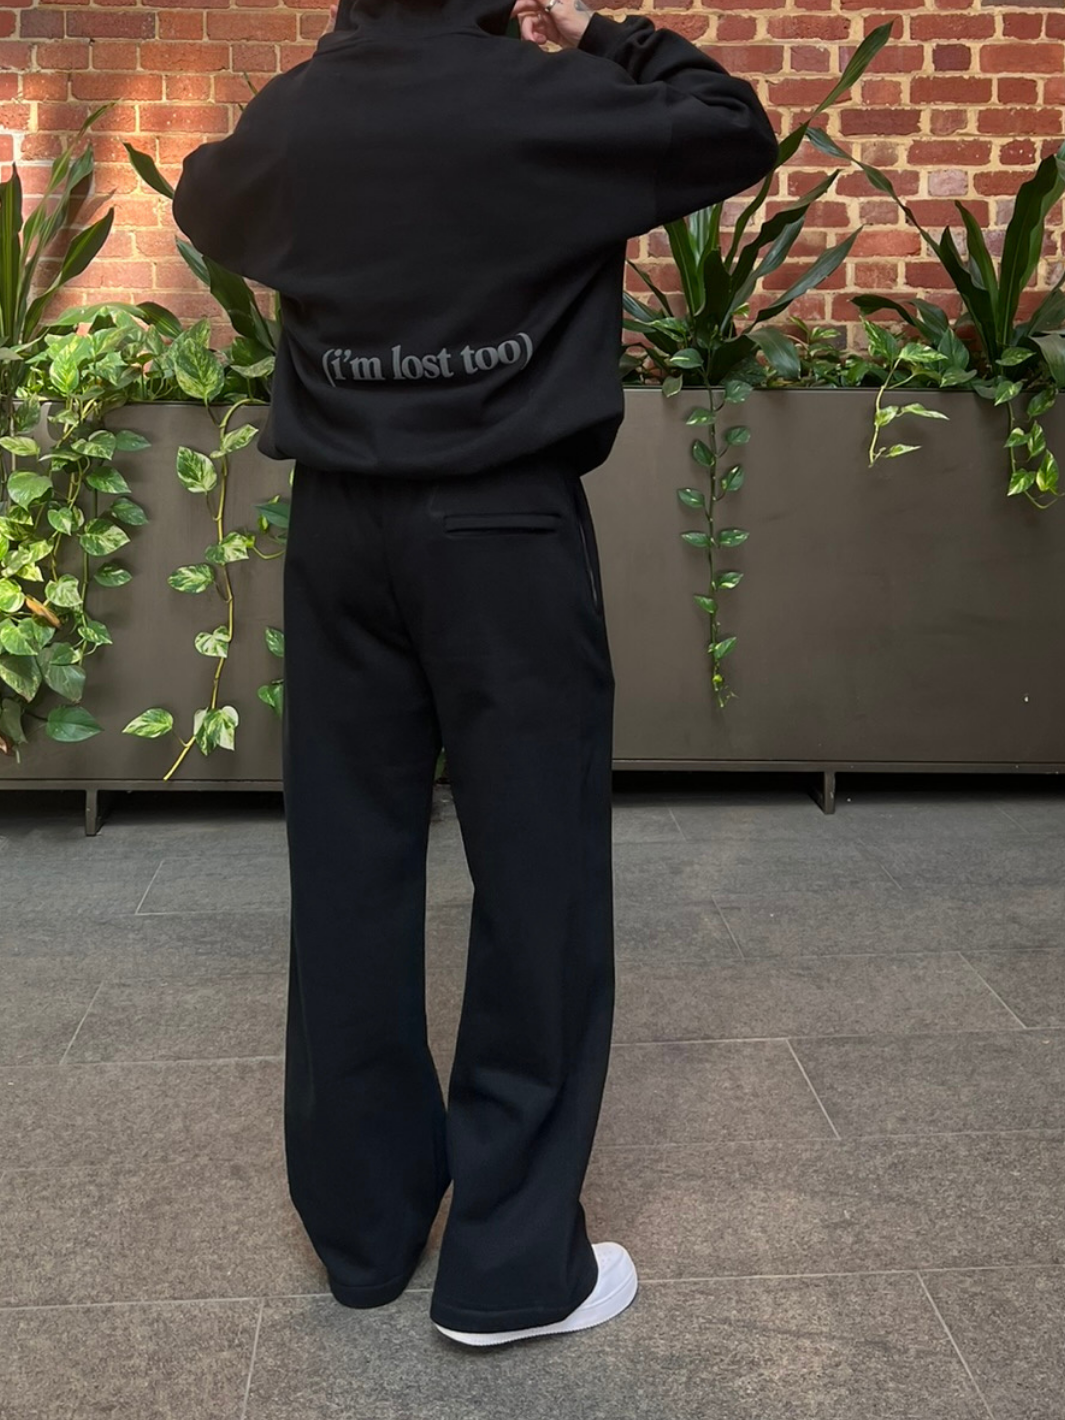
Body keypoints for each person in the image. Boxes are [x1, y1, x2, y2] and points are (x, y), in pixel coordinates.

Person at [170, 0, 778, 1348]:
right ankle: (509, 1270)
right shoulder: (546, 100)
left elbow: (207, 195)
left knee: (349, 870)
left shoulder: (302, 113)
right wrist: (606, 31)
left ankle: (367, 1237)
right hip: (502, 527)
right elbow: (734, 127)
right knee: (536, 880)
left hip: (340, 531)